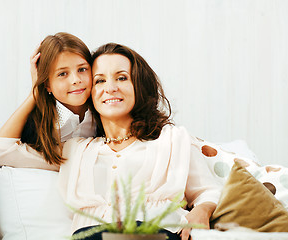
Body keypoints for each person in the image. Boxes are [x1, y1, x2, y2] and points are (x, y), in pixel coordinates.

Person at [57, 43, 222, 240]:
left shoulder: (171, 140)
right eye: (100, 81)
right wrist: (38, 90)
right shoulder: (75, 149)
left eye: (121, 77)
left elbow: (208, 192)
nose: (110, 88)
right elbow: (9, 150)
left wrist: (201, 211)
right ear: (89, 93)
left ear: (139, 85)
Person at [0, 32, 96, 169]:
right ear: (47, 84)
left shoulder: (104, 114)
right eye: (62, 73)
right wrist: (36, 91)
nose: (76, 80)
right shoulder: (38, 121)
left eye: (82, 69)